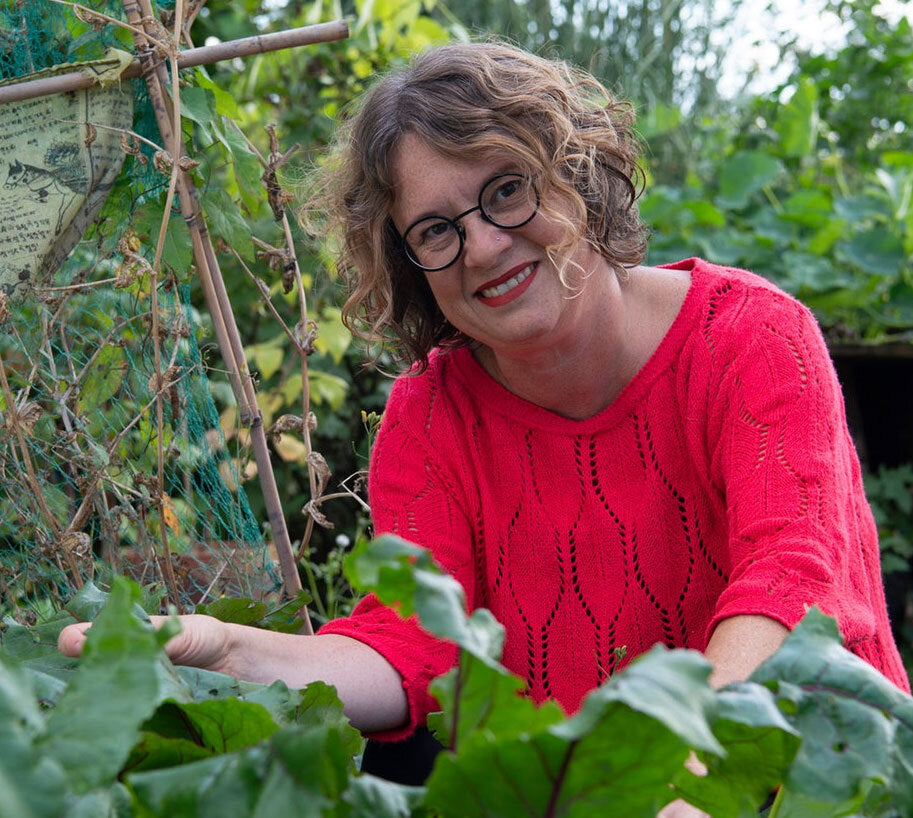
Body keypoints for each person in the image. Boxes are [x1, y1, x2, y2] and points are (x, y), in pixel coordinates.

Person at [59, 41, 909, 816]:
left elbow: (789, 584)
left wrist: (683, 779)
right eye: (436, 230)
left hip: (810, 784)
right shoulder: (431, 417)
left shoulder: (751, 338)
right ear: (410, 266)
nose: (483, 247)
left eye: (505, 190)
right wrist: (236, 656)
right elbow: (411, 647)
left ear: (577, 173)